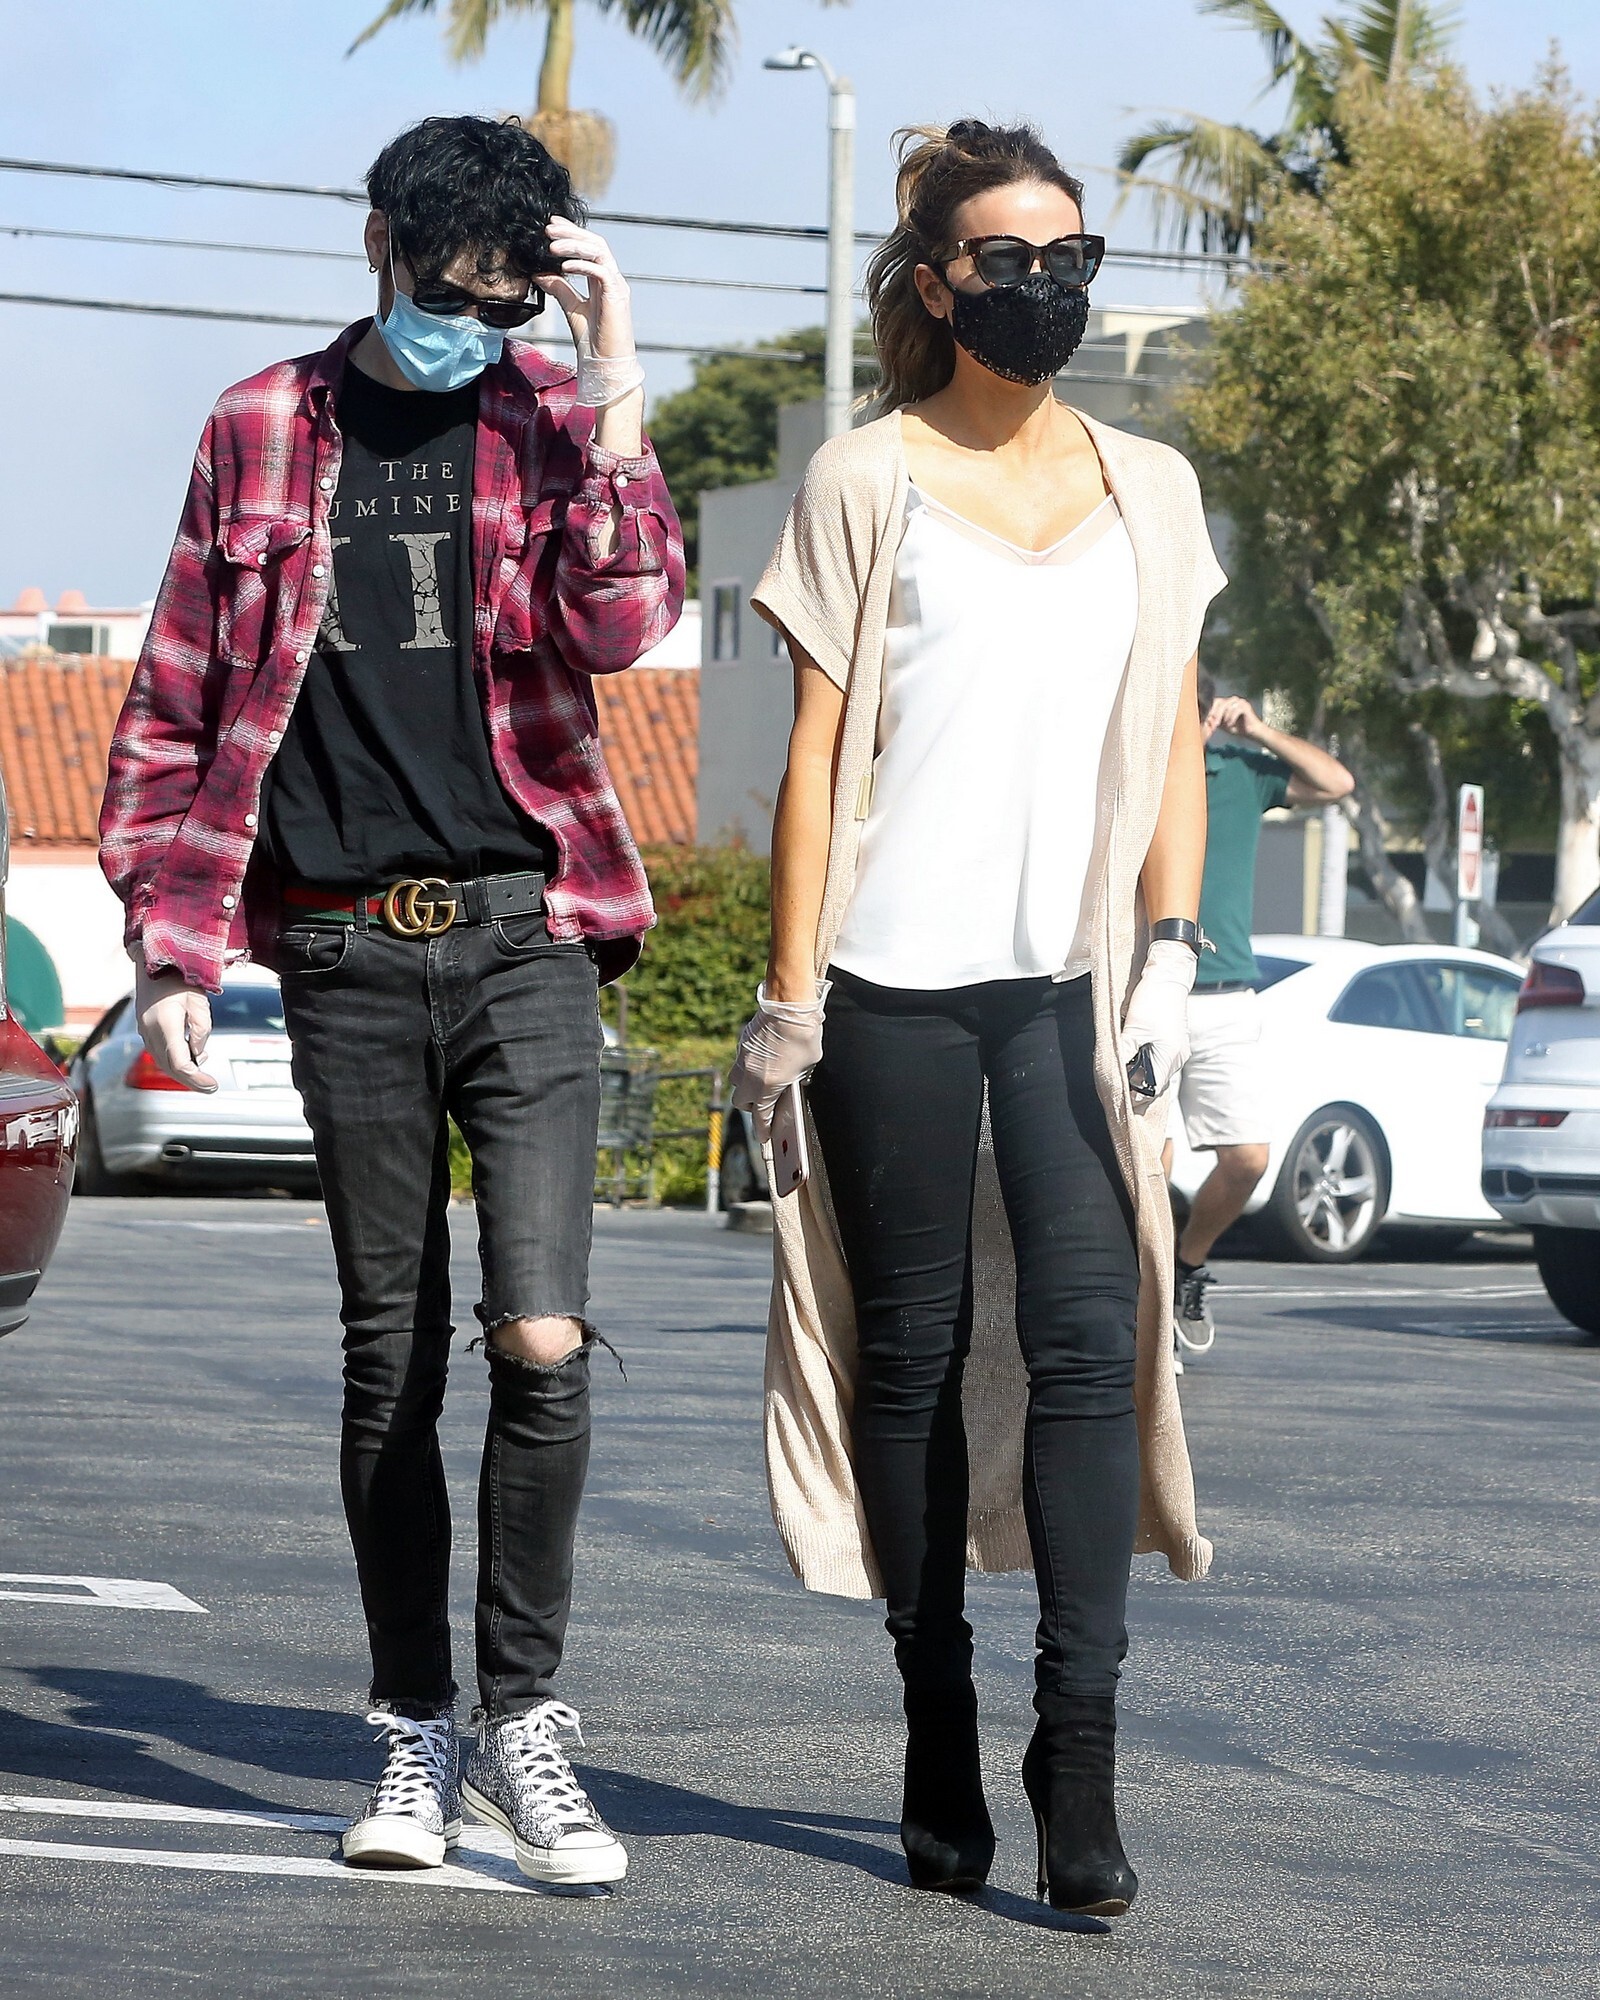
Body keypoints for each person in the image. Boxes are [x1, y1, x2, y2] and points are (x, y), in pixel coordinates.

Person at [99, 115, 683, 1888]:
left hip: (526, 935)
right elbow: (178, 694)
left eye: (508, 300)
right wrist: (170, 943)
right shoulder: (262, 425)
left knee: (542, 1337)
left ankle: (526, 1725)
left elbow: (627, 625)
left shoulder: (554, 413)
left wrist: (617, 382)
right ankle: (414, 1730)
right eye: (450, 291)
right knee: (392, 1356)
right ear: (381, 247)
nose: (471, 328)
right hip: (346, 949)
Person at [729, 119, 1222, 1919]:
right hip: (888, 986)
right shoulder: (865, 477)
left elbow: (1173, 730)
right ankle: (935, 1721)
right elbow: (812, 759)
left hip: (1072, 985)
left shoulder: (1149, 486)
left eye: (1071, 257)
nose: (1046, 287)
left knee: (1095, 1341)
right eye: (1010, 260)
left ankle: (1075, 1758)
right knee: (915, 1354)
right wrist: (789, 999)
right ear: (937, 285)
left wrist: (1177, 946)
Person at [1167, 679, 1353, 1359]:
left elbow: (1336, 783)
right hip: (1145, 990)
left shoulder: (1241, 770)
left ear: (1209, 716)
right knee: (1148, 1161)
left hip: (1226, 998)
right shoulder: (1131, 766)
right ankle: (1141, 1310)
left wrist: (1261, 731)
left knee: (1247, 1159)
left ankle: (1185, 1265)